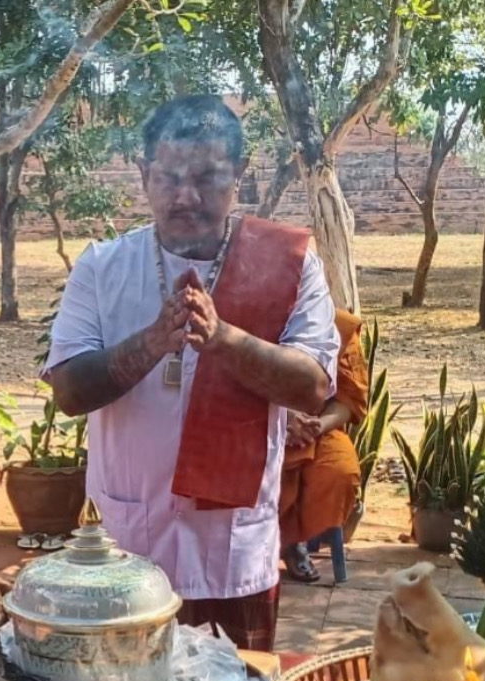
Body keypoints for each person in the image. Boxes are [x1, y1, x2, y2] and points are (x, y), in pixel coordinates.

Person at [45, 95, 339, 651]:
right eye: (169, 177)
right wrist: (155, 341)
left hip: (231, 557)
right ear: (143, 175)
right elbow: (69, 391)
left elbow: (312, 385)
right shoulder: (103, 267)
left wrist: (224, 339)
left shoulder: (288, 264)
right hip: (126, 550)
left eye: (207, 178)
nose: (186, 196)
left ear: (239, 176)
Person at [278, 308, 369, 583]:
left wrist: (319, 425)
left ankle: (294, 543)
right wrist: (282, 418)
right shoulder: (254, 313)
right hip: (256, 425)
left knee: (340, 471)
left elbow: (349, 399)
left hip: (315, 428)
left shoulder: (338, 325)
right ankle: (264, 547)